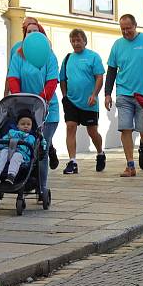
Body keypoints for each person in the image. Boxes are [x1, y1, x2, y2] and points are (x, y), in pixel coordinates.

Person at [104, 14, 143, 177]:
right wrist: (107, 94)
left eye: (128, 28)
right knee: (125, 128)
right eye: (122, 29)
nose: (125, 32)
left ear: (135, 25)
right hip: (124, 94)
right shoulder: (117, 45)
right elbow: (111, 70)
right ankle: (130, 165)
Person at [6, 22, 59, 196]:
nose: (32, 34)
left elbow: (51, 82)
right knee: (21, 144)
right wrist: (19, 97)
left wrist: (41, 100)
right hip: (24, 110)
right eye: (29, 32)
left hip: (47, 110)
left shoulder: (49, 56)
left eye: (36, 31)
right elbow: (13, 78)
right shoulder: (18, 56)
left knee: (40, 149)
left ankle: (41, 188)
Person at [59, 28, 106, 175]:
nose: (76, 43)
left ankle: (100, 153)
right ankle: (72, 161)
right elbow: (62, 79)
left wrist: (94, 94)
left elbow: (99, 77)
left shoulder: (93, 57)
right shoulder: (67, 59)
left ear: (85, 41)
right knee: (70, 127)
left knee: (92, 132)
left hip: (89, 102)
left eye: (78, 40)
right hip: (71, 101)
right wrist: (65, 96)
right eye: (73, 40)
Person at [0, 113, 37, 185]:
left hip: (22, 155)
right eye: (23, 124)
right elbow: (3, 140)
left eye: (28, 124)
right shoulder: (11, 133)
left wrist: (42, 143)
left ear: (31, 126)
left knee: (17, 156)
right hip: (8, 150)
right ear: (17, 126)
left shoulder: (31, 137)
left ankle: (11, 176)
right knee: (2, 152)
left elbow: (33, 146)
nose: (26, 126)